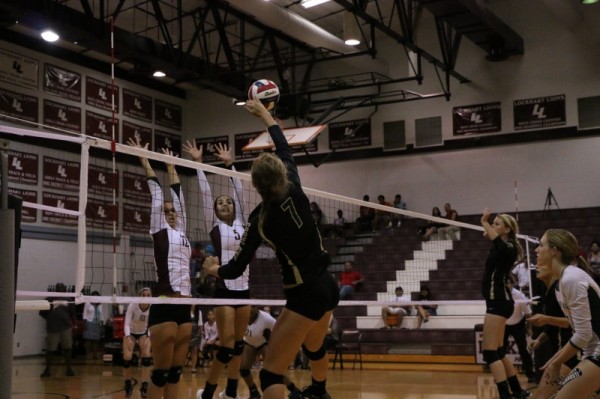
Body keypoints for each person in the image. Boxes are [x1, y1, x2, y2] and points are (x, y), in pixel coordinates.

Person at [202, 99, 339, 399]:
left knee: (270, 375)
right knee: (315, 347)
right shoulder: (293, 183)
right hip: (328, 284)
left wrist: (212, 268)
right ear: (281, 172)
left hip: (305, 294)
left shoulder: (259, 220)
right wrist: (265, 113)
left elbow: (234, 268)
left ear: (255, 184)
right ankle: (319, 392)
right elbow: (283, 145)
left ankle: (315, 394)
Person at [183, 140, 251, 399]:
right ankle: (209, 393)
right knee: (227, 345)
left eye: (228, 203)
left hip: (245, 287)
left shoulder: (242, 224)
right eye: (220, 203)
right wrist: (199, 165)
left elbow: (240, 192)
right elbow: (204, 194)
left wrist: (230, 165)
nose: (224, 204)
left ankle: (231, 392)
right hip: (224, 288)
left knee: (238, 345)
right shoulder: (215, 226)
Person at [127, 137, 193, 399]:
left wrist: (172, 166)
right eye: (167, 211)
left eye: (173, 211)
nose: (171, 213)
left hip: (184, 306)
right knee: (160, 372)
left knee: (176, 373)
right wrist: (145, 160)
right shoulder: (159, 230)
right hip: (165, 303)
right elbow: (157, 193)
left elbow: (179, 197)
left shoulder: (183, 229)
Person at [534, 229, 600, 399]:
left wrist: (556, 363)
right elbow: (580, 332)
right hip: (591, 352)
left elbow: (583, 334)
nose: (536, 250)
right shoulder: (560, 284)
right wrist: (554, 361)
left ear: (554, 250)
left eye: (541, 245)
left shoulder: (571, 278)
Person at [479, 209, 528, 399]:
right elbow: (496, 243)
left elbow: (497, 242)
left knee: (490, 353)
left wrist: (484, 221)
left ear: (507, 229)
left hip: (498, 302)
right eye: (494, 223)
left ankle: (505, 395)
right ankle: (517, 391)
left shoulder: (508, 247)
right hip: (501, 301)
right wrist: (491, 231)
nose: (493, 225)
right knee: (498, 351)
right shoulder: (504, 247)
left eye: (497, 223)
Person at [527, 257, 575, 398]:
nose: (537, 267)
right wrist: (539, 340)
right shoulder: (549, 293)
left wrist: (546, 319)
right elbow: (553, 327)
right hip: (562, 350)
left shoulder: (559, 289)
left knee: (541, 396)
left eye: (542, 264)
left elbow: (571, 322)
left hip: (571, 352)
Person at [240, 306, 303, 399]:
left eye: (253, 307)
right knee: (243, 368)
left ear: (257, 308)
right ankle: (254, 392)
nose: (250, 309)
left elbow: (280, 329)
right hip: (249, 343)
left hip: (264, 343)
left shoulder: (265, 318)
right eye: (248, 306)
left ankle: (294, 389)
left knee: (274, 370)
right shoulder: (240, 315)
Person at [39, 283, 76, 378]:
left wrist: (74, 325)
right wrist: (51, 318)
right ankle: (47, 370)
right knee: (50, 350)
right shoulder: (49, 299)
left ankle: (69, 369)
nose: (60, 289)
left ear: (65, 289)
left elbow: (73, 314)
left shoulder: (69, 300)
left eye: (62, 287)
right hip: (53, 328)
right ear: (55, 289)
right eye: (58, 287)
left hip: (65, 328)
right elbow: (42, 312)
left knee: (67, 349)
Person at [504, 279, 535, 384]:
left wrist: (529, 327)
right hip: (504, 324)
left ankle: (530, 374)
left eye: (508, 282)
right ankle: (502, 376)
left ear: (512, 283)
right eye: (504, 283)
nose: (506, 285)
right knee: (500, 350)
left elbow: (528, 314)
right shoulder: (499, 295)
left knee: (523, 349)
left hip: (518, 324)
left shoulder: (519, 296)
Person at [123, 287, 152, 398]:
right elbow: (126, 323)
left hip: (143, 332)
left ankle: (144, 386)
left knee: (146, 356)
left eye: (148, 295)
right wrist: (127, 337)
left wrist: (148, 336)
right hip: (130, 332)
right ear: (140, 296)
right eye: (143, 295)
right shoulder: (133, 304)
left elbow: (151, 323)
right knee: (127, 358)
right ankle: (128, 384)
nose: (146, 297)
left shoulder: (152, 306)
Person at [82, 291, 104, 361]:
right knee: (88, 339)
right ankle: (87, 354)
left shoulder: (100, 304)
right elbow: (85, 312)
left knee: (96, 340)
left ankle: (95, 354)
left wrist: (102, 322)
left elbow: (102, 314)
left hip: (97, 323)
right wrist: (85, 322)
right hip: (89, 322)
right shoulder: (88, 303)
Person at [188, 305, 204, 373]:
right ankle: (180, 367)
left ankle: (193, 367)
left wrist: (201, 334)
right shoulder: (186, 310)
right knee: (184, 350)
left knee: (195, 350)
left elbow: (200, 324)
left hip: (196, 333)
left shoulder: (199, 312)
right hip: (187, 331)